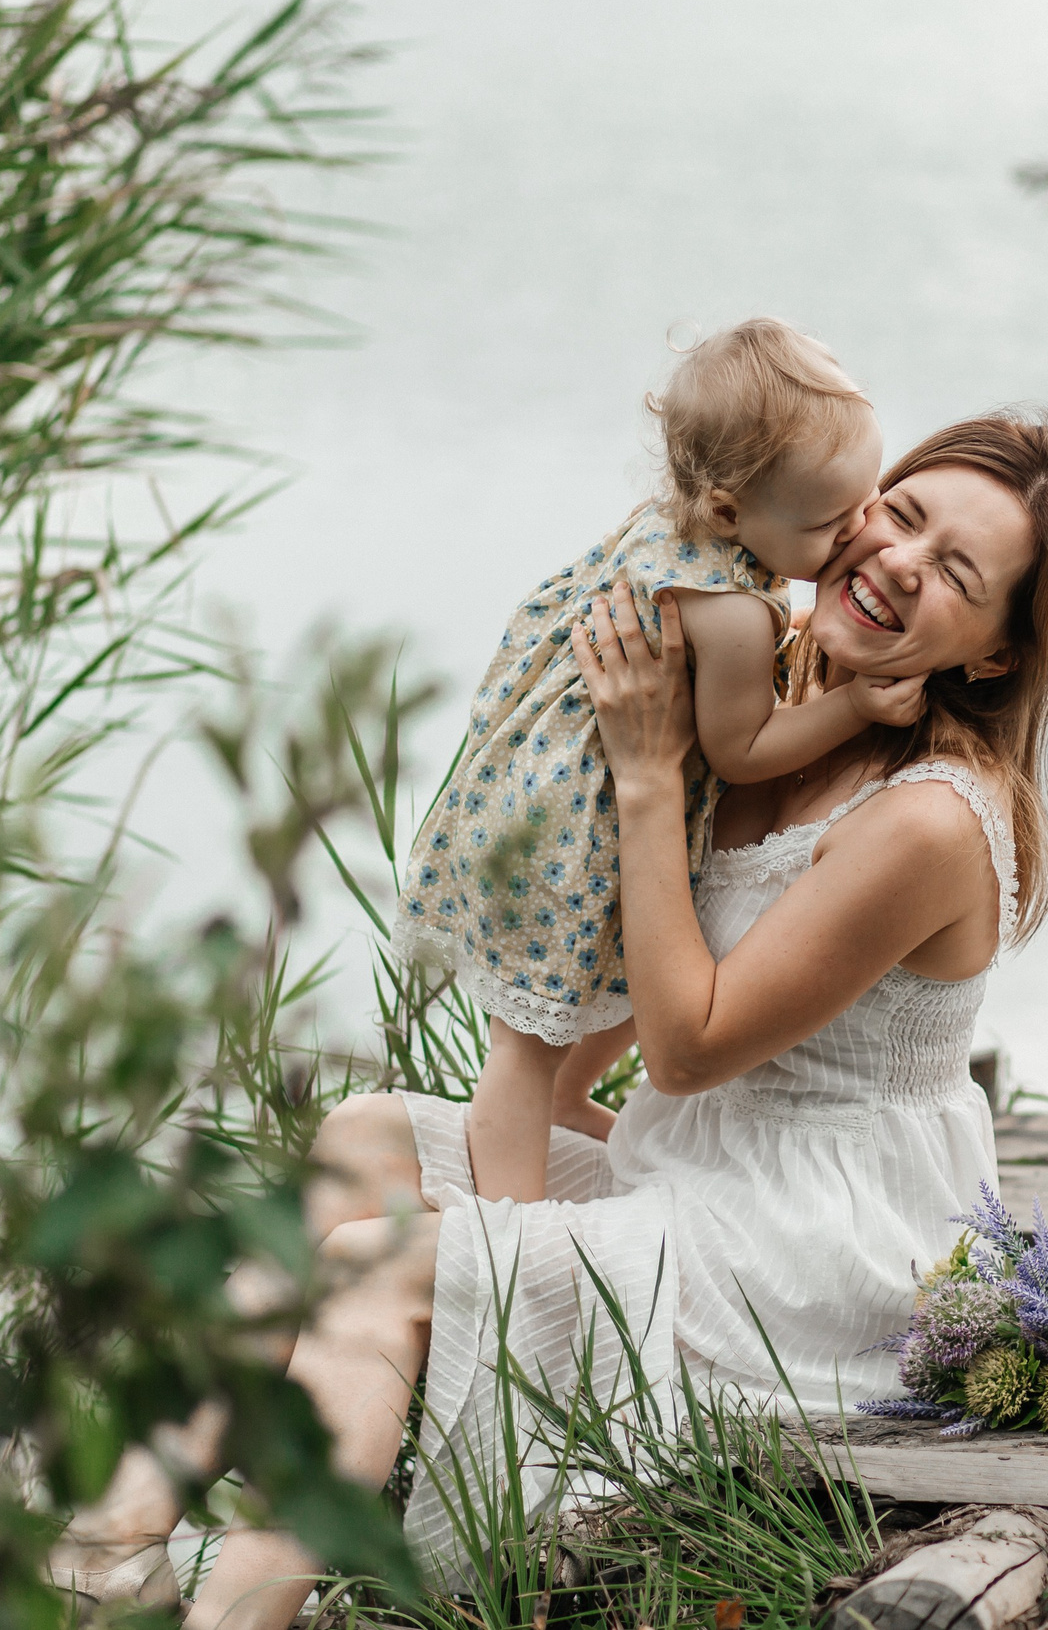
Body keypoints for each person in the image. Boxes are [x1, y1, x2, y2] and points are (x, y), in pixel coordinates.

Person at [51, 412, 1048, 1625]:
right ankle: (112, 1546)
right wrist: (555, 1107)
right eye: (903, 513)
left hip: (816, 1255)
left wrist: (650, 775)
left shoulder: (929, 819)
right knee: (362, 1137)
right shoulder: (768, 701)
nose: (901, 561)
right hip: (708, 1175)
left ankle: (235, 1612)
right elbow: (615, 994)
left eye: (957, 573)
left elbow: (690, 1047)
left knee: (377, 1267)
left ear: (993, 655)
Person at [397, 317, 927, 1207]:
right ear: (728, 512)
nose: (860, 529)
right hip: (583, 830)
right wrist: (852, 706)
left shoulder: (674, 530)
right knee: (522, 1052)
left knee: (611, 987)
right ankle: (504, 1235)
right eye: (831, 522)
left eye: (869, 497)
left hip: (537, 787)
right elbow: (741, 749)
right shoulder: (736, 613)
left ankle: (569, 1110)